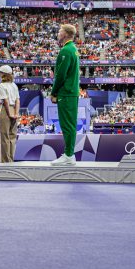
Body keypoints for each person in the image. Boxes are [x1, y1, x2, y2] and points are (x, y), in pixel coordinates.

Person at [50, 24, 80, 166]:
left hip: (66, 93)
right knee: (71, 125)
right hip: (72, 92)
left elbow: (60, 75)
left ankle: (68, 154)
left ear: (66, 34)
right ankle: (69, 154)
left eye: (60, 30)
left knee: (66, 125)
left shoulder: (65, 51)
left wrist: (53, 92)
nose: (58, 32)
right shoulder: (74, 49)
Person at [0, 65, 20, 163]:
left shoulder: (1, 85)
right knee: (12, 136)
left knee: (3, 136)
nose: (0, 74)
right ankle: (10, 160)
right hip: (14, 109)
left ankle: (4, 162)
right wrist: (16, 113)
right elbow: (18, 100)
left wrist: (10, 114)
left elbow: (5, 101)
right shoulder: (14, 85)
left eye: (1, 72)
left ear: (4, 74)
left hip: (5, 110)